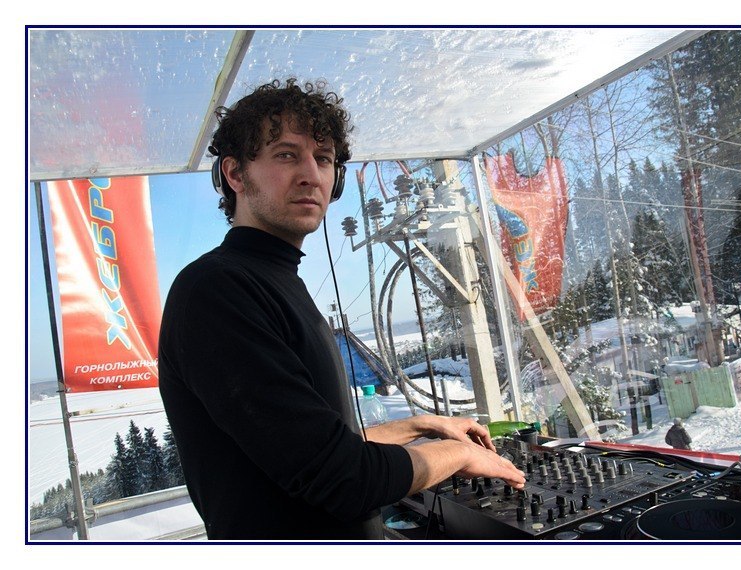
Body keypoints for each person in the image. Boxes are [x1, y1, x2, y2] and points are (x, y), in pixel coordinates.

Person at [158, 78, 525, 540]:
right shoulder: (216, 290)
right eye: (286, 155)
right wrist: (461, 455)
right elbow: (341, 478)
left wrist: (418, 426)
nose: (311, 175)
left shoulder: (271, 280)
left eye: (324, 158)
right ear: (234, 174)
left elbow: (309, 447)